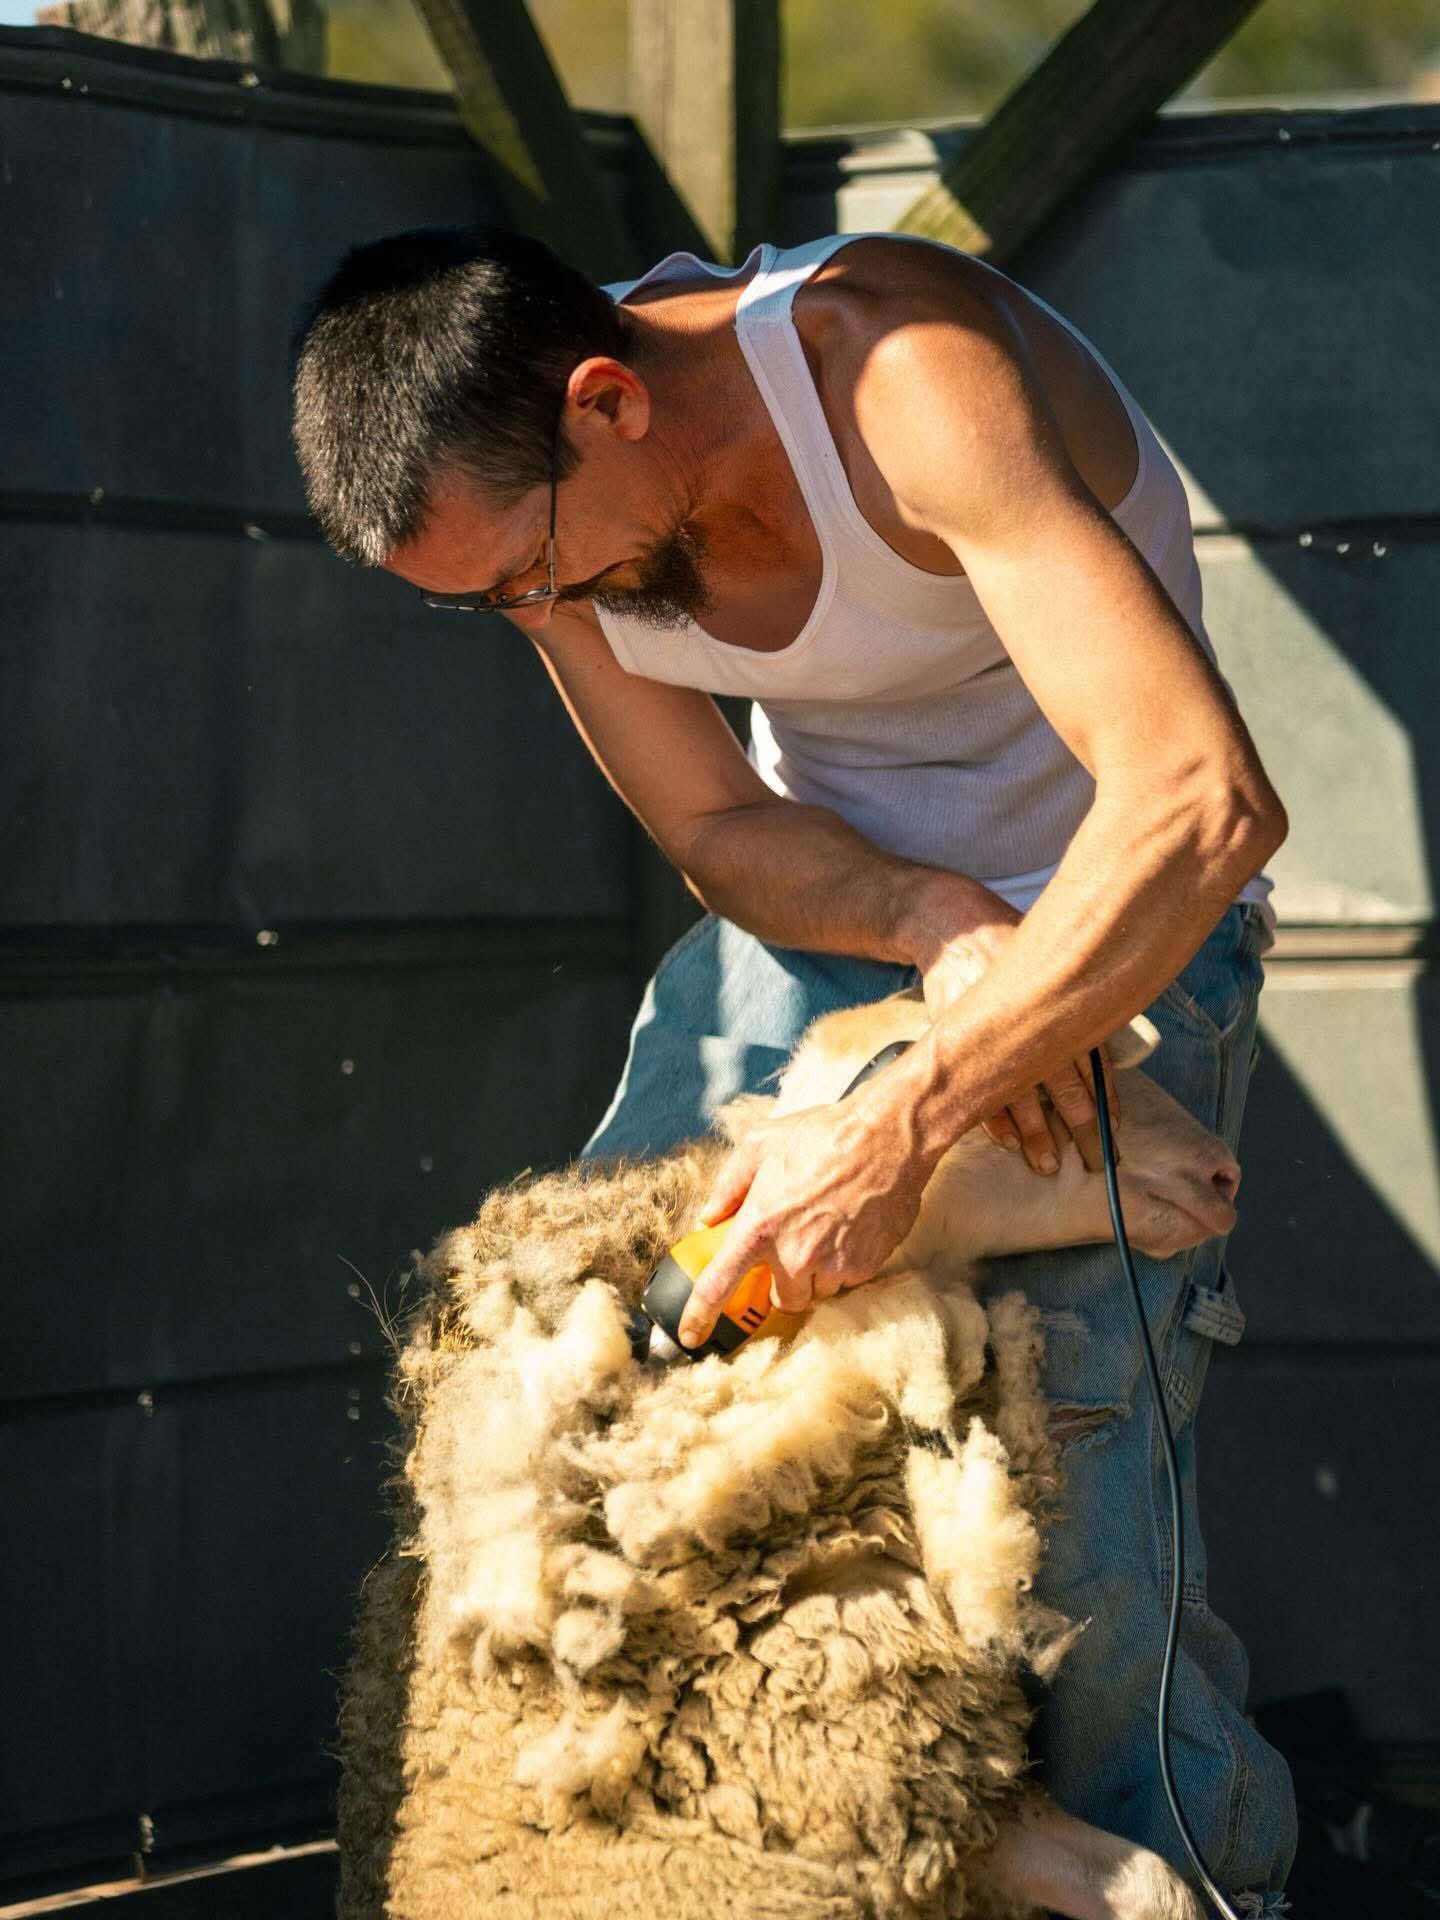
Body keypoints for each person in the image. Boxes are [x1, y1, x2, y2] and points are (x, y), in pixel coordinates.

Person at [291, 224, 1297, 1907]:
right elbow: (717, 821)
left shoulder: (901, 378)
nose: (538, 618)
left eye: (529, 578)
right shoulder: (555, 521)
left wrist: (930, 1097)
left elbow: (1200, 801)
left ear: (605, 401)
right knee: (593, 1395)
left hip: (1122, 912)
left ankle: (1200, 1883)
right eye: (492, 608)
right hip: (849, 914)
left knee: (1074, 1488)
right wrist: (926, 914)